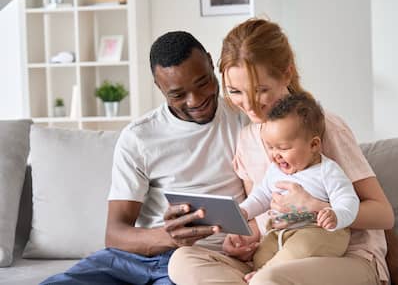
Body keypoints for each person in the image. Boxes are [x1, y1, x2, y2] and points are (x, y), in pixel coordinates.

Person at [168, 18, 398, 285]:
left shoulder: (324, 128)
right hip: (277, 255)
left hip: (346, 257)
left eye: (260, 90)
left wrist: (319, 208)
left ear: (286, 74)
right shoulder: (246, 139)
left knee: (269, 280)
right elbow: (262, 211)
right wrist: (244, 239)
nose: (249, 104)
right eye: (235, 91)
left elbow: (383, 213)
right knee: (183, 260)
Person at [40, 31, 249, 285]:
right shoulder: (139, 137)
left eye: (203, 82)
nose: (195, 100)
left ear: (209, 61)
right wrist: (168, 237)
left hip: (199, 263)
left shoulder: (243, 119)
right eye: (178, 95)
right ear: (158, 86)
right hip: (136, 259)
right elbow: (115, 233)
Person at [233, 92, 360, 281]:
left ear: (314, 145)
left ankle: (264, 275)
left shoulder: (327, 171)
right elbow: (262, 196)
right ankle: (266, 270)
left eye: (283, 148)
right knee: (261, 254)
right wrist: (244, 211)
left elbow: (348, 200)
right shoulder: (275, 171)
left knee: (303, 246)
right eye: (270, 147)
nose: (275, 155)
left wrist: (336, 214)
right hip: (281, 233)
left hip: (320, 232)